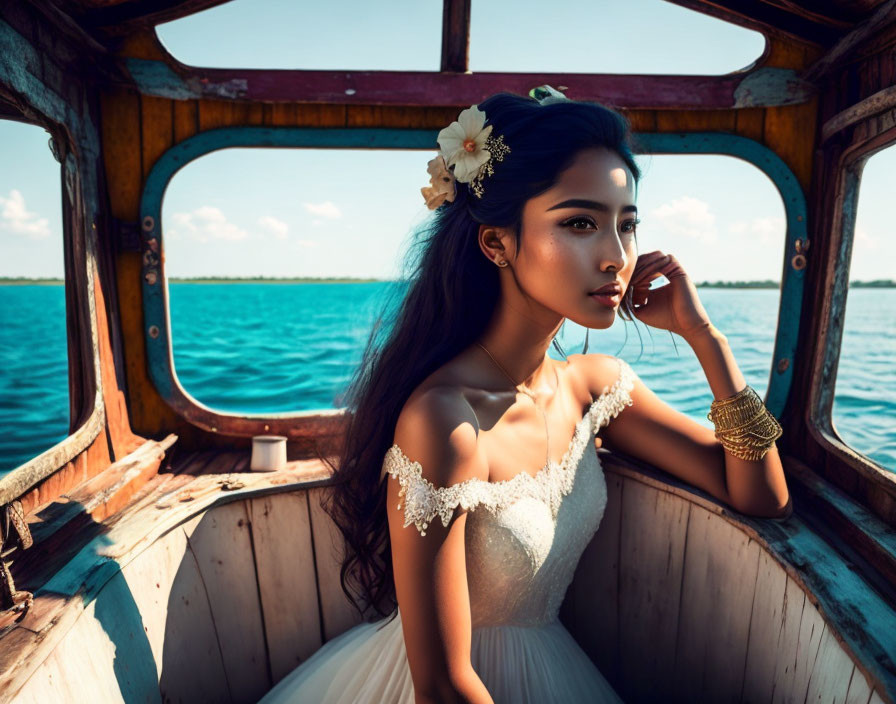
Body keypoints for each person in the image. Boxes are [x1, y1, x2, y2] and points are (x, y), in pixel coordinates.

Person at [259, 89, 791, 704]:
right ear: (497, 244)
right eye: (579, 223)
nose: (617, 257)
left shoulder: (595, 387)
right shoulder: (445, 420)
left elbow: (763, 496)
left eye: (628, 224)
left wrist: (707, 340)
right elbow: (441, 685)